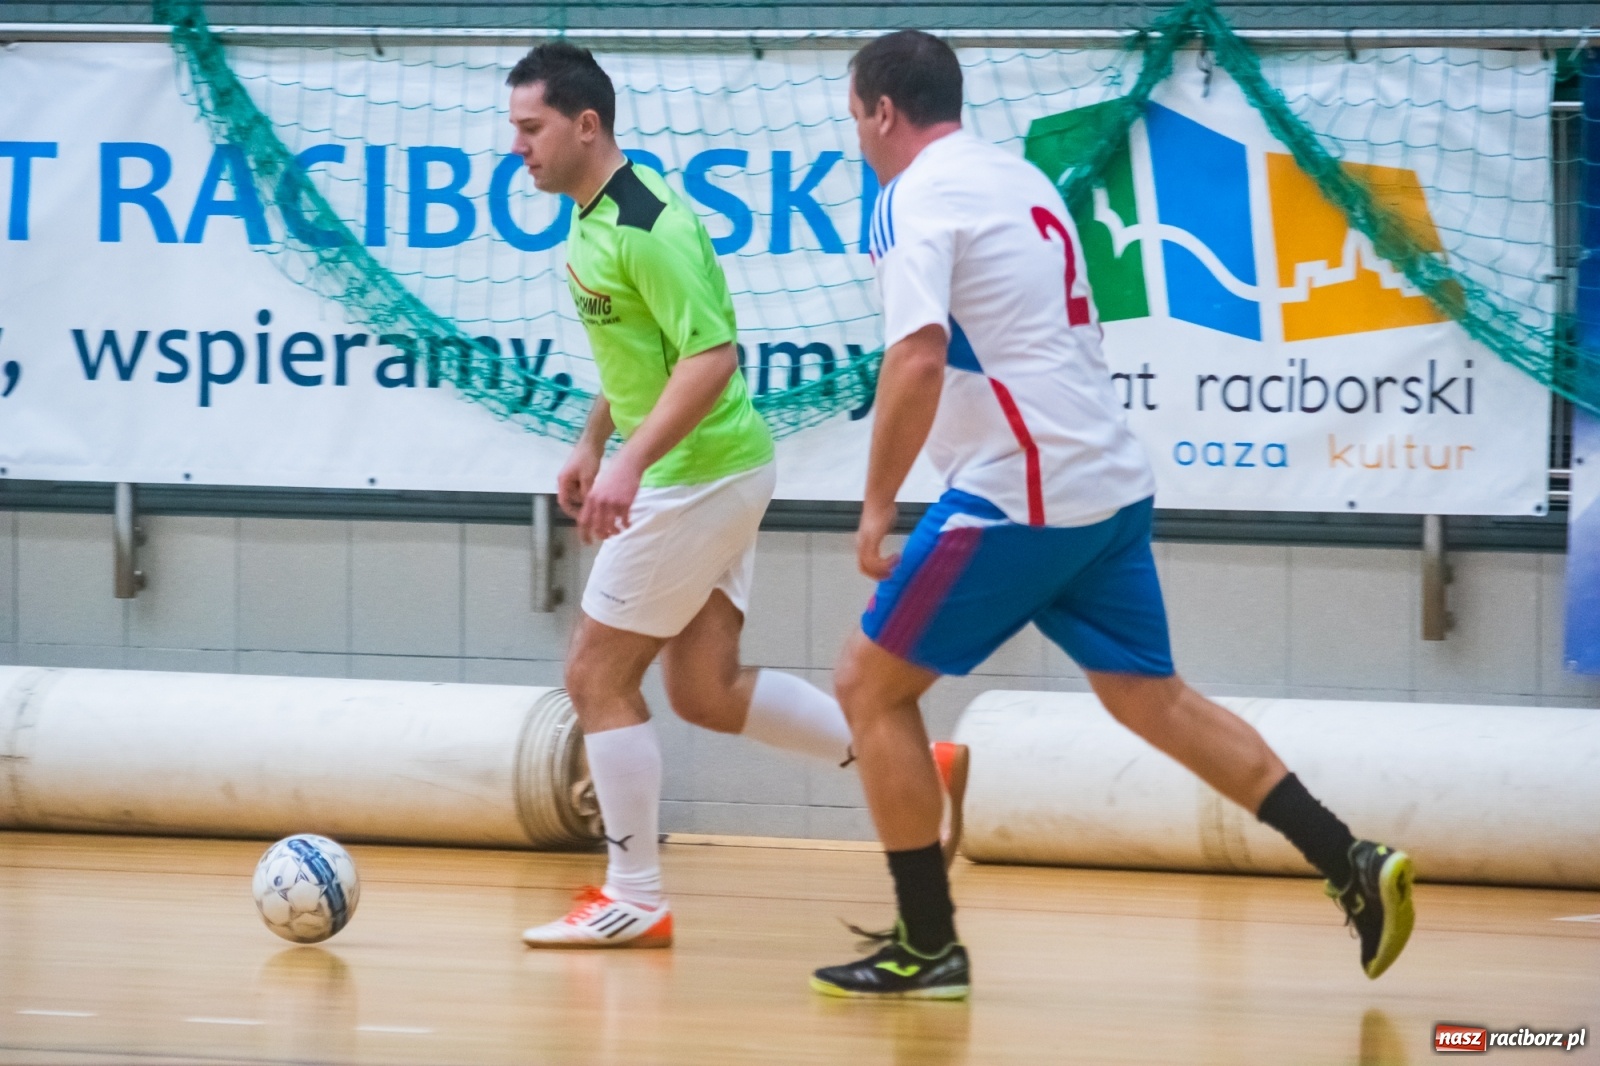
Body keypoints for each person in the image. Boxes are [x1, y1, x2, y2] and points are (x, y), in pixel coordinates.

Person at [809, 30, 1415, 999]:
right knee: (1150, 697)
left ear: (882, 111)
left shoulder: (912, 198)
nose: (859, 141)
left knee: (867, 684)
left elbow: (915, 359)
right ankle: (1346, 856)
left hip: (1020, 492)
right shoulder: (1021, 181)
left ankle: (928, 944)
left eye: (856, 120)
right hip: (1104, 481)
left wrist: (876, 509)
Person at [505, 42, 968, 949]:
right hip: (712, 470)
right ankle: (912, 761)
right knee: (706, 692)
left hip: (695, 478)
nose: (518, 147)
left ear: (584, 124)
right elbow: (642, 353)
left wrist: (632, 463)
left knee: (596, 675)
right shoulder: (592, 216)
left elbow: (714, 359)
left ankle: (633, 893)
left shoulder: (648, 224)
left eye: (531, 128)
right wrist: (594, 440)